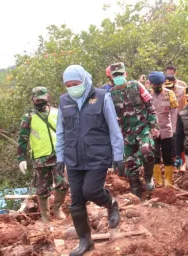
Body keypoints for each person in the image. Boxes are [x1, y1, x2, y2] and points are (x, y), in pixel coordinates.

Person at [56, 65, 124, 256]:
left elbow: (114, 128)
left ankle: (111, 204)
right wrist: (60, 158)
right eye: (68, 85)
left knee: (91, 191)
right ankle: (85, 241)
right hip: (73, 158)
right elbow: (60, 132)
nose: (72, 87)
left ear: (84, 80)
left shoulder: (102, 97)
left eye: (75, 83)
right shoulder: (64, 101)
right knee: (76, 202)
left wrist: (118, 155)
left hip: (97, 156)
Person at [17, 86, 69, 223]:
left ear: (47, 98)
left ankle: (57, 208)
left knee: (63, 183)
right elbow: (22, 139)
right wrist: (21, 158)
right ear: (33, 100)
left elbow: (67, 132)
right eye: (37, 99)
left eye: (42, 99)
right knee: (42, 189)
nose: (39, 102)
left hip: (59, 155)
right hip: (40, 158)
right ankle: (45, 217)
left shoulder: (57, 113)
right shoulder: (29, 117)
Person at [109, 62, 159, 198]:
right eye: (115, 75)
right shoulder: (111, 94)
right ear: (112, 77)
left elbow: (150, 106)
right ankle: (136, 193)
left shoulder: (136, 86)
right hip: (125, 133)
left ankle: (148, 177)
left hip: (143, 128)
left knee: (146, 151)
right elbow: (111, 117)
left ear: (125, 74)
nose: (118, 77)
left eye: (120, 74)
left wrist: (154, 126)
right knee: (129, 164)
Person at [149, 71, 178, 186]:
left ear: (162, 84)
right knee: (154, 156)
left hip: (167, 130)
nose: (156, 87)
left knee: (168, 156)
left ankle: (168, 181)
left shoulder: (169, 94)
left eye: (158, 85)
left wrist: (175, 130)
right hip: (152, 131)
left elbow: (174, 113)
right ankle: (157, 181)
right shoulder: (147, 95)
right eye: (154, 85)